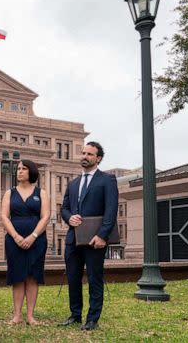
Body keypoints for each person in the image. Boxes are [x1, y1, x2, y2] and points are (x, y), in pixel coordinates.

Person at [59, 141, 118, 331]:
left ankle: (92, 319)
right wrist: (70, 218)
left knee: (94, 278)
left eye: (89, 154)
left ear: (98, 158)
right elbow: (64, 208)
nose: (84, 156)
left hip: (95, 241)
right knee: (73, 278)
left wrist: (102, 236)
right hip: (73, 239)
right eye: (83, 153)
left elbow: (111, 211)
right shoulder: (73, 183)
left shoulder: (107, 180)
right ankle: (75, 315)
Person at [1, 159, 50, 325]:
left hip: (36, 240)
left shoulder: (41, 193)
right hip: (14, 240)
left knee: (32, 277)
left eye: (23, 168)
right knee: (17, 276)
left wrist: (33, 236)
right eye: (18, 169)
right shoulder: (10, 193)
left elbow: (45, 217)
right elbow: (4, 217)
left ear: (31, 172)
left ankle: (30, 316)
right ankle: (17, 315)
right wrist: (16, 236)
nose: (19, 171)